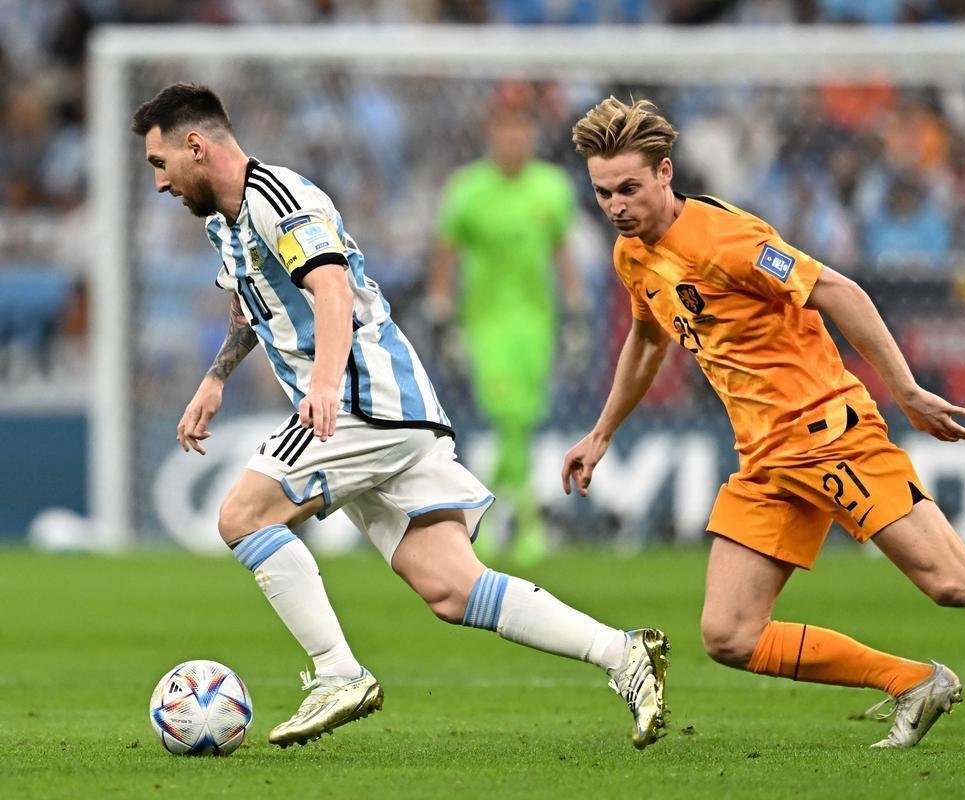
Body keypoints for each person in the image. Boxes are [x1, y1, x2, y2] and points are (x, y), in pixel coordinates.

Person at [563, 97, 965, 750]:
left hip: (829, 435)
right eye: (604, 192)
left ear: (664, 173)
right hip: (767, 460)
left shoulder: (726, 242)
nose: (615, 206)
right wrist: (603, 430)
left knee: (951, 580)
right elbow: (645, 338)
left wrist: (905, 389)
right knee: (729, 634)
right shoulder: (631, 253)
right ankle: (914, 682)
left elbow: (837, 290)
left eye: (628, 189)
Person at [131, 83, 668, 750]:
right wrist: (214, 379)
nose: (159, 183)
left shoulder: (281, 198)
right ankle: (622, 654)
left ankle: (337, 673)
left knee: (241, 515)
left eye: (159, 165)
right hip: (391, 409)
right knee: (449, 587)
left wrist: (324, 385)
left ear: (195, 146)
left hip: (362, 398)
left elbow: (328, 285)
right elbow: (254, 304)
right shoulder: (226, 221)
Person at [429, 101, 584, 564]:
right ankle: (529, 525)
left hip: (537, 322)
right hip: (486, 323)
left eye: (521, 130)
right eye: (505, 129)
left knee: (521, 421)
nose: (513, 139)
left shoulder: (553, 188)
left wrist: (575, 311)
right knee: (508, 415)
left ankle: (491, 515)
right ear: (491, 134)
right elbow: (446, 253)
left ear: (533, 135)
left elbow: (561, 253)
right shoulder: (467, 190)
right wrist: (442, 315)